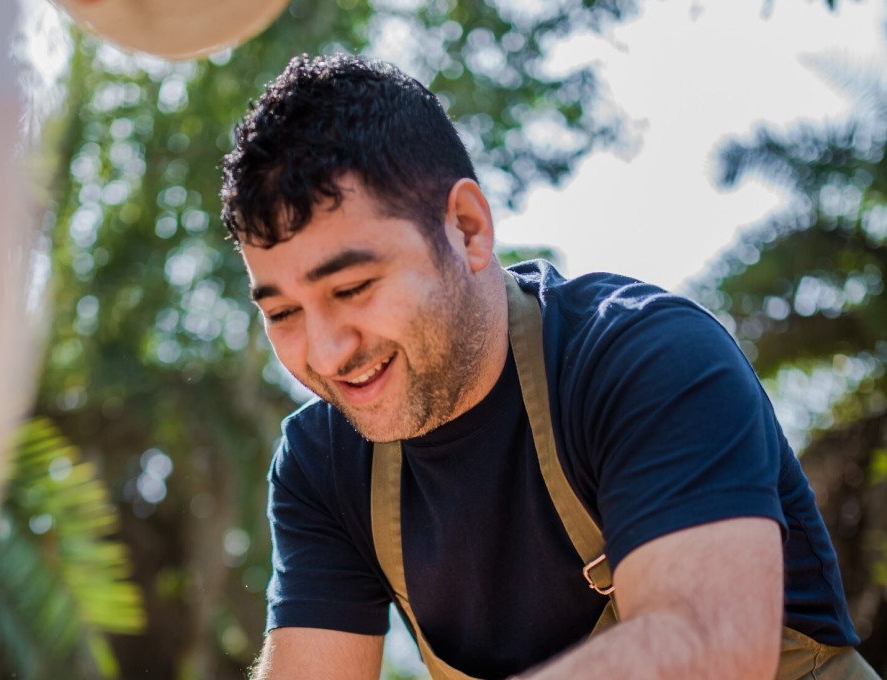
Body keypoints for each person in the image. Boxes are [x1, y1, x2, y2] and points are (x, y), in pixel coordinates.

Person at [220, 54, 880, 679]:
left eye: (352, 288)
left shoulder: (644, 358)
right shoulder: (322, 466)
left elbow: (707, 647)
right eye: (283, 313)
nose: (327, 351)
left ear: (469, 230)